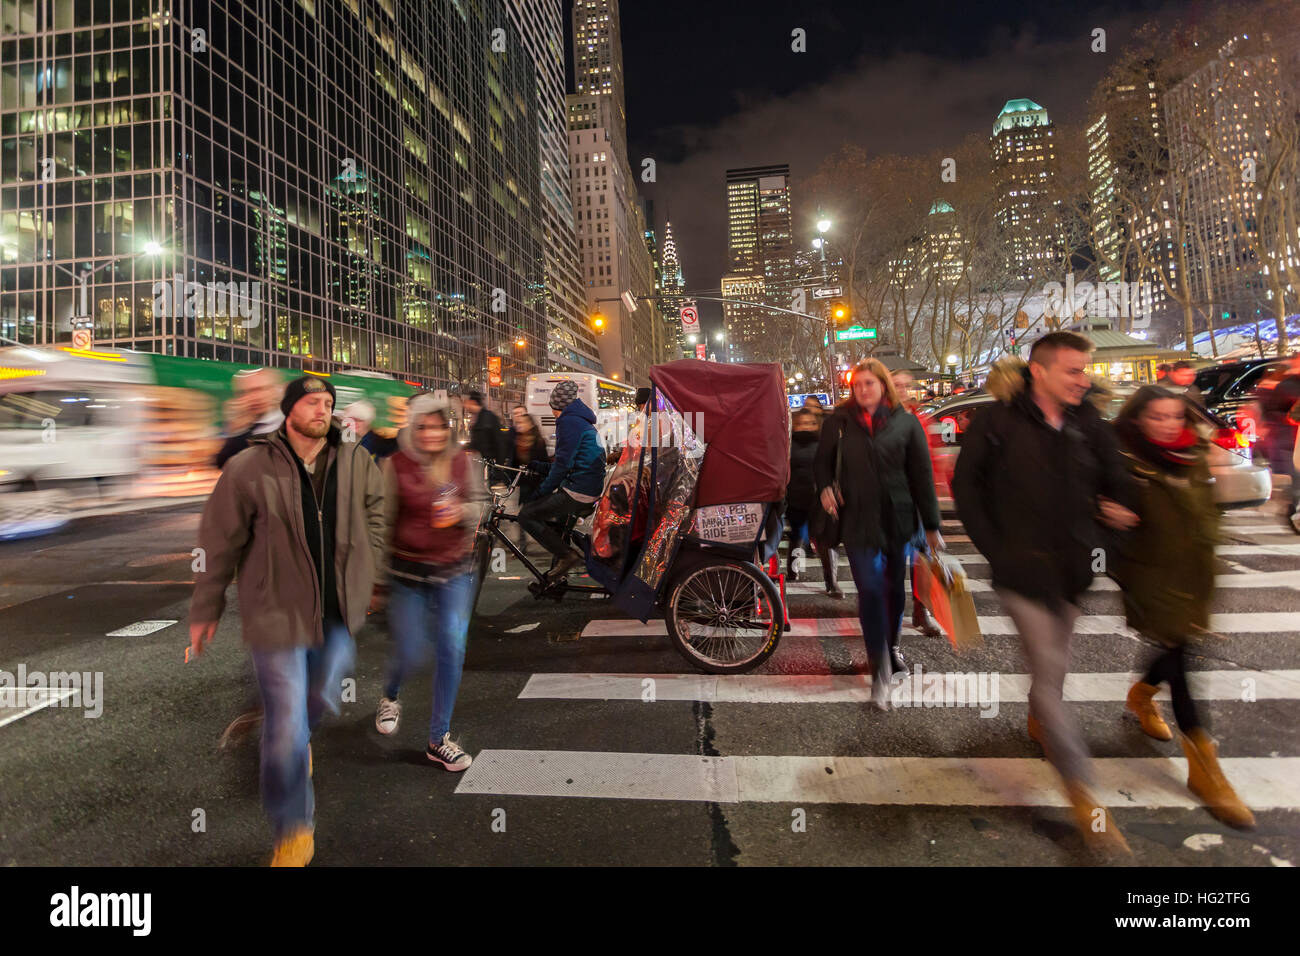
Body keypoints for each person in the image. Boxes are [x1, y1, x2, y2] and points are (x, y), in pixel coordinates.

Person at [952, 334, 1140, 857]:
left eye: (1085, 371)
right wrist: (998, 552)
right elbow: (968, 490)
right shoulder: (995, 422)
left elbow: (1119, 481)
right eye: (1073, 371)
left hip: (1074, 575)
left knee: (1052, 675)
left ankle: (1040, 719)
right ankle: (1086, 800)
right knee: (1050, 680)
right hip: (1021, 577)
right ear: (1039, 371)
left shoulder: (1088, 424)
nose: (1084, 380)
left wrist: (1112, 525)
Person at [189, 375, 385, 866]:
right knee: (284, 727)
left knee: (318, 700)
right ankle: (293, 831)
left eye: (327, 403)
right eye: (311, 402)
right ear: (290, 409)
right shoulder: (250, 467)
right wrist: (205, 607)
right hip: (276, 613)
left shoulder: (356, 461)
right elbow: (218, 542)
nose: (322, 410)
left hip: (337, 612)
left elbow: (379, 512)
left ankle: (300, 736)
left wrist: (369, 566)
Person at [1111, 386, 1255, 829]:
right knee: (1183, 661)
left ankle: (1141, 695)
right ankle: (1206, 770)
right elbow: (1098, 519)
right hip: (1150, 579)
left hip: (1194, 576)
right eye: (1157, 416)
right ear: (1137, 419)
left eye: (1175, 416)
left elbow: (1207, 514)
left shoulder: (1194, 454)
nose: (1169, 424)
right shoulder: (1124, 462)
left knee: (1177, 650)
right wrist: (1110, 517)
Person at [816, 358, 942, 710]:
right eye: (857, 385)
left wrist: (931, 525)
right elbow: (822, 462)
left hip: (898, 521)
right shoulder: (839, 422)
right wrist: (825, 487)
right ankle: (880, 668)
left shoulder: (906, 424)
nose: (862, 390)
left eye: (869, 383)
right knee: (870, 590)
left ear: (883, 386)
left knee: (892, 589)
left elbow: (921, 476)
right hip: (857, 521)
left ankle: (893, 646)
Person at [373, 394, 485, 771]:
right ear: (412, 429)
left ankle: (439, 739)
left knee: (452, 648)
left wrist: (462, 511)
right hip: (407, 573)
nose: (432, 433)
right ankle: (390, 694)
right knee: (409, 648)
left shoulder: (461, 462)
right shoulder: (396, 465)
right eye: (423, 426)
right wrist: (375, 581)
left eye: (438, 426)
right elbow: (382, 522)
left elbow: (479, 504)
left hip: (453, 570)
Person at [518, 379, 606, 581]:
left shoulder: (568, 422)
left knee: (527, 515)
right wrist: (537, 466)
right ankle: (557, 577)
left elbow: (562, 467)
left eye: (552, 408)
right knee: (555, 524)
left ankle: (567, 557)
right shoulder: (580, 420)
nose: (551, 413)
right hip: (587, 485)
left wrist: (539, 493)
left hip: (579, 490)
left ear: (558, 406)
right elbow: (571, 462)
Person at [891, 370, 943, 638]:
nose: (901, 389)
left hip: (919, 503)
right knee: (896, 564)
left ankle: (921, 610)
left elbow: (929, 462)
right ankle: (894, 617)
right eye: (896, 385)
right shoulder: (883, 420)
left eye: (904, 385)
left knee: (923, 560)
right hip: (895, 505)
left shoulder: (918, 418)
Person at [786, 408, 842, 597]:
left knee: (825, 542)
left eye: (810, 423)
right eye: (801, 423)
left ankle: (831, 582)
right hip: (796, 500)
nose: (806, 427)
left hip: (819, 500)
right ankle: (794, 572)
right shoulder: (789, 445)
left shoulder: (822, 444)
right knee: (797, 538)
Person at [1255, 353, 1300, 525]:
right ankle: (1292, 508)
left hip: (1288, 436)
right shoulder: (1286, 386)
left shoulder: (1287, 385)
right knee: (1294, 474)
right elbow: (1273, 411)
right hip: (1287, 437)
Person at [503, 404, 551, 553]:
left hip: (537, 485)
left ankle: (550, 540)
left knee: (534, 515)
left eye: (522, 423)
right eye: (518, 423)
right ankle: (523, 545)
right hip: (524, 485)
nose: (519, 425)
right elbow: (513, 462)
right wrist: (509, 479)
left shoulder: (538, 441)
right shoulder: (517, 441)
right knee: (523, 515)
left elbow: (544, 464)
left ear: (529, 424)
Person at [215, 368, 283, 469]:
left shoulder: (287, 424)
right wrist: (237, 431)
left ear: (274, 391)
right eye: (247, 392)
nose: (255, 397)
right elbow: (223, 464)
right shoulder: (241, 428)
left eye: (260, 389)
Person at [463, 390, 504, 464]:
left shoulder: (489, 417)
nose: (465, 405)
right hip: (480, 463)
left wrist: (498, 467)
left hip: (488, 465)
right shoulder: (476, 418)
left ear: (472, 402)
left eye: (466, 402)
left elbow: (500, 443)